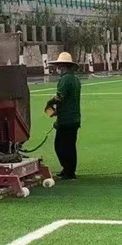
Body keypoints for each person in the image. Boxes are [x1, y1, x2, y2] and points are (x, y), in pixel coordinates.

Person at [45, 52, 81, 180]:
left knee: (63, 146)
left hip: (66, 119)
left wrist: (50, 103)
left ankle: (69, 171)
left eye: (59, 66)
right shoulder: (75, 79)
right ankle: (68, 169)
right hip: (73, 118)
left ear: (64, 66)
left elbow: (60, 97)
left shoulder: (65, 79)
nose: (58, 69)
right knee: (67, 145)